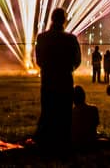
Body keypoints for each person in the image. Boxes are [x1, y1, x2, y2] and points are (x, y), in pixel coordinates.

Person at [34, 8, 82, 150]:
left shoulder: (42, 38)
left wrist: (48, 68)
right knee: (64, 112)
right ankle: (63, 141)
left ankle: (46, 141)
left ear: (52, 19)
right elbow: (77, 60)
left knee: (48, 110)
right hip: (65, 80)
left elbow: (38, 60)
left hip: (48, 80)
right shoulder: (71, 39)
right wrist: (68, 69)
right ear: (64, 20)